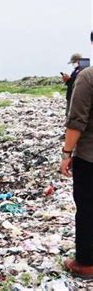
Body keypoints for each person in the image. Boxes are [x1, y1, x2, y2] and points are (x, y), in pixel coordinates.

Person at [60, 66, 93, 278]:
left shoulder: (88, 77)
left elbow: (77, 121)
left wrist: (66, 153)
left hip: (90, 158)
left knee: (87, 210)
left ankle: (86, 263)